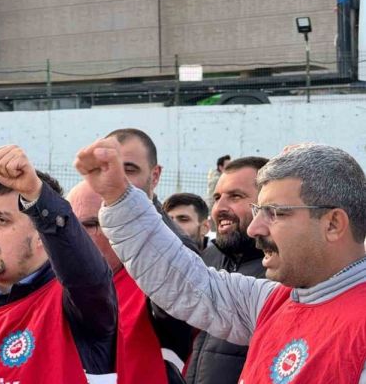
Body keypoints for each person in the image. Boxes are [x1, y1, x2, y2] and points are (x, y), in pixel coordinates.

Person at [75, 140, 366, 383]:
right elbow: (186, 283)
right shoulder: (273, 301)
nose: (254, 229)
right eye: (258, 211)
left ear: (333, 224)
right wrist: (118, 196)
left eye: (275, 213)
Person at [0, 145, 117, 383]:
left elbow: (88, 275)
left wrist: (35, 193)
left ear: (40, 236)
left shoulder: (77, 306)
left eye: (1, 220)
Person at [106, 127, 197, 371]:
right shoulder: (96, 235)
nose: (117, 179)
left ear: (155, 176)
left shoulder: (175, 247)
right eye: (107, 168)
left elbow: (175, 349)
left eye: (130, 169)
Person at [67, 181, 167, 384]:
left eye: (88, 225)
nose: (74, 237)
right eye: (69, 225)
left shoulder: (154, 288)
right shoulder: (47, 290)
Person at [182, 157, 267, 384]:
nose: (219, 208)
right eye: (217, 197)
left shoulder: (286, 273)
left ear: (268, 201)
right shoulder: (208, 258)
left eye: (235, 196)